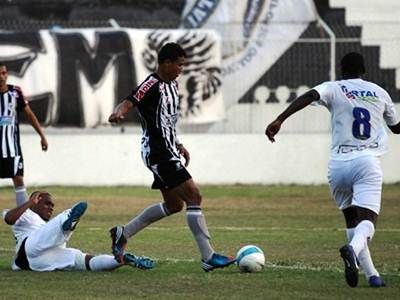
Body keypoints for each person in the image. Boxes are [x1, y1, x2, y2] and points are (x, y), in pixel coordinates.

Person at [265, 52, 400, 287]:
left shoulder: (334, 87)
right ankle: (352, 250)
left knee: (351, 220)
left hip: (338, 165)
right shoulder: (380, 93)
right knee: (368, 222)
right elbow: (397, 128)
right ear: (364, 71)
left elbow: (309, 95)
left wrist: (280, 119)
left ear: (341, 69)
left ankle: (372, 276)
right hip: (366, 162)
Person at [108, 42, 235, 272]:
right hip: (158, 152)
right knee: (194, 196)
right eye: (179, 64)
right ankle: (208, 257)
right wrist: (119, 112)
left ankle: (122, 233)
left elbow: (167, 119)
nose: (181, 69)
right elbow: (130, 100)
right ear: (166, 63)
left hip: (168, 149)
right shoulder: (151, 84)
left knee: (174, 205)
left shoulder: (173, 85)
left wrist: (178, 143)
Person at [2, 191, 155, 271]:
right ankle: (68, 220)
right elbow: (9, 218)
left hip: (39, 262)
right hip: (28, 250)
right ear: (37, 200)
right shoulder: (26, 214)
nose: (51, 207)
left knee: (83, 261)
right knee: (63, 218)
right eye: (47, 203)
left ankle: (119, 260)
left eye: (52, 205)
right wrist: (29, 203)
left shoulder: (46, 226)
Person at [0, 62, 48, 206]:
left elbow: (29, 114)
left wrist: (42, 136)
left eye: (4, 73)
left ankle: (23, 218)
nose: (2, 77)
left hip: (12, 148)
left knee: (18, 179)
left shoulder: (15, 92)